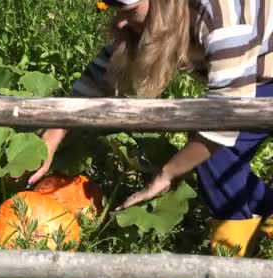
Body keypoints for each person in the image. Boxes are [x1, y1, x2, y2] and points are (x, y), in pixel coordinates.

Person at [29, 0, 273, 257]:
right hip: (257, 77)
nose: (120, 22)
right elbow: (101, 76)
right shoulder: (162, 17)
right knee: (209, 147)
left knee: (215, 153)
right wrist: (52, 135)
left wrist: (165, 175)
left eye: (130, 12)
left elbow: (227, 119)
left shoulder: (220, 15)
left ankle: (229, 268)